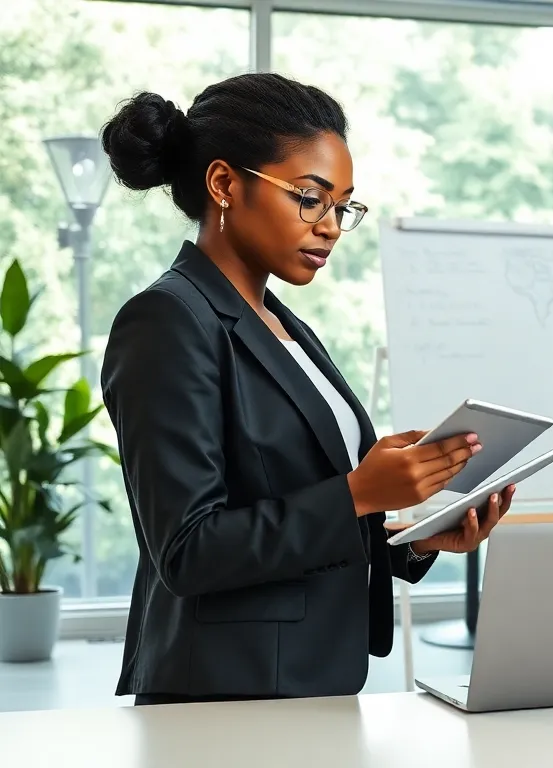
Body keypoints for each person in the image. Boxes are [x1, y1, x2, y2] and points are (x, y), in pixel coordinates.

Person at [98, 73, 514, 705]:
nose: (330, 227)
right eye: (310, 198)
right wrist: (358, 492)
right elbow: (187, 550)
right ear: (224, 185)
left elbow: (302, 504)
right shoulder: (166, 321)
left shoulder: (285, 324)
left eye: (343, 206)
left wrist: (414, 537)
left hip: (315, 684)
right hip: (224, 697)